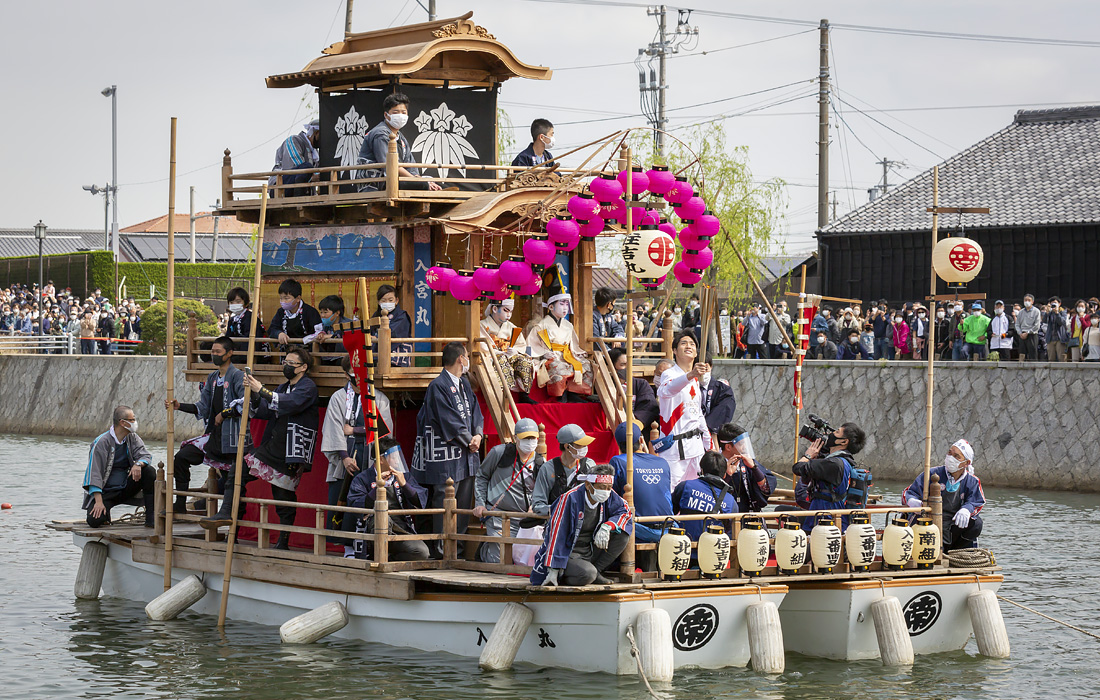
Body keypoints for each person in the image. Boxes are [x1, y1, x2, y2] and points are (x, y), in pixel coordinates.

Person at [205, 347, 319, 550]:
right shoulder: (283, 387)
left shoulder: (308, 387)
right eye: (285, 362)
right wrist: (256, 395)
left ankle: (283, 541)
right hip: (272, 445)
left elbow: (290, 404)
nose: (286, 366)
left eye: (291, 363)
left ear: (303, 367)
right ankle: (227, 513)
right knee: (238, 470)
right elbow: (266, 410)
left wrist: (261, 390)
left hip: (291, 449)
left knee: (283, 496)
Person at [411, 342, 483, 553]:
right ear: (461, 358)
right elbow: (445, 418)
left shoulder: (464, 384)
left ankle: (457, 550)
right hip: (447, 455)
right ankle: (441, 550)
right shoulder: (438, 385)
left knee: (463, 504)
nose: (468, 360)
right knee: (444, 502)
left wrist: (478, 434)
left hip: (467, 453)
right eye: (466, 356)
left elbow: (476, 412)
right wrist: (468, 439)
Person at [165, 336, 247, 513]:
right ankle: (180, 503)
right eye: (212, 352)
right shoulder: (212, 378)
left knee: (231, 480)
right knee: (181, 457)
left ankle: (234, 517)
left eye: (218, 352)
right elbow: (203, 407)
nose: (214, 355)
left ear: (229, 353)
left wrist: (224, 414)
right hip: (213, 435)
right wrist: (180, 406)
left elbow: (245, 403)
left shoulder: (238, 376)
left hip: (231, 437)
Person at [320, 356, 393, 552]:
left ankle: (366, 548)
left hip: (370, 455)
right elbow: (334, 428)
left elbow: (383, 430)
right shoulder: (338, 397)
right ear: (346, 375)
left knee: (368, 500)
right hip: (346, 456)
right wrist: (344, 457)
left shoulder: (379, 399)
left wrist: (354, 430)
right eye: (354, 374)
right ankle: (348, 549)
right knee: (343, 498)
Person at [530, 463, 632, 587]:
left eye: (609, 488)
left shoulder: (610, 496)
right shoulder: (570, 499)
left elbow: (625, 512)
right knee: (588, 573)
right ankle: (565, 576)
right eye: (601, 487)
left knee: (622, 535)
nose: (605, 491)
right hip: (567, 553)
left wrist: (608, 526)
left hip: (590, 550)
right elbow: (557, 533)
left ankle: (597, 570)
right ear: (588, 485)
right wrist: (553, 569)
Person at [472, 418, 544, 563]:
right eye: (525, 438)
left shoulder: (540, 462)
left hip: (524, 519)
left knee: (524, 560)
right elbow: (482, 476)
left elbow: (542, 491)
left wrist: (535, 505)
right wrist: (480, 503)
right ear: (515, 438)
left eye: (533, 438)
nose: (530, 442)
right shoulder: (499, 452)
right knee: (500, 561)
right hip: (498, 515)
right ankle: (485, 550)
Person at [347, 436, 430, 561]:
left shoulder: (404, 476)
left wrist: (405, 485)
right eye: (394, 457)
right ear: (381, 459)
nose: (397, 461)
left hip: (400, 527)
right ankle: (378, 553)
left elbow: (420, 500)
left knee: (422, 552)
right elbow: (356, 505)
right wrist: (377, 488)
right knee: (383, 518)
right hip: (374, 528)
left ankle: (389, 559)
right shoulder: (362, 478)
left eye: (398, 456)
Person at [903, 439, 985, 551]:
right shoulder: (931, 473)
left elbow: (976, 502)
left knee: (976, 523)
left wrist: (966, 509)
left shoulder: (972, 481)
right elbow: (908, 493)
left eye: (956, 456)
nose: (951, 457)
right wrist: (912, 501)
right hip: (929, 522)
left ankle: (957, 551)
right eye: (950, 453)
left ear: (967, 463)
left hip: (953, 524)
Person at [83, 405, 156, 528]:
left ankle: (151, 518)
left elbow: (145, 455)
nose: (135, 422)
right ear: (123, 423)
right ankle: (105, 514)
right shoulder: (102, 442)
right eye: (132, 420)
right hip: (106, 492)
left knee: (149, 471)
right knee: (94, 520)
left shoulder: (132, 437)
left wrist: (138, 464)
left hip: (126, 486)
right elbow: (94, 473)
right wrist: (99, 502)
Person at [655, 330, 710, 488]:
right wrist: (690, 374)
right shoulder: (669, 374)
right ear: (674, 350)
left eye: (692, 344)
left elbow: (697, 414)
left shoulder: (695, 380)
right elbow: (667, 390)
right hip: (674, 449)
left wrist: (709, 444)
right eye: (683, 343)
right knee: (671, 491)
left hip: (695, 448)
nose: (689, 346)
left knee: (697, 490)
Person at [527, 271, 594, 399]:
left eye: (567, 304)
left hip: (566, 354)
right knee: (557, 365)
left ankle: (575, 393)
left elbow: (573, 345)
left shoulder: (568, 325)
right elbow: (531, 346)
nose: (565, 308)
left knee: (586, 364)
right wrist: (544, 354)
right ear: (551, 307)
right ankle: (559, 395)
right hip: (550, 355)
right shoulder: (541, 326)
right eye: (561, 304)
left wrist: (577, 353)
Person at [356, 92, 441, 192]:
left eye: (403, 112)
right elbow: (390, 165)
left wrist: (421, 179)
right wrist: (418, 182)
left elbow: (411, 167)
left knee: (429, 181)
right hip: (375, 184)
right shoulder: (380, 134)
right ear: (386, 115)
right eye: (396, 112)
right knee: (422, 185)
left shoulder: (401, 138)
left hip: (394, 180)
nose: (400, 116)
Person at [792, 421, 866, 531]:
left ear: (844, 441)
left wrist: (808, 455)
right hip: (833, 518)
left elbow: (797, 468)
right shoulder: (845, 461)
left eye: (837, 432)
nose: (831, 434)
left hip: (824, 521)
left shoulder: (833, 464)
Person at [610, 421, 672, 544]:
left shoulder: (617, 461)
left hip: (639, 528)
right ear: (641, 440)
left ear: (618, 445)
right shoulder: (662, 462)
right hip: (668, 527)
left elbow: (612, 497)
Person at [532, 424, 597, 516]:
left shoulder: (589, 465)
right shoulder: (547, 469)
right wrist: (562, 510)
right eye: (580, 445)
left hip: (583, 519)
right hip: (556, 520)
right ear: (567, 447)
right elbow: (538, 505)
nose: (585, 448)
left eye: (585, 445)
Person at [672, 450, 738, 540]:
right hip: (713, 547)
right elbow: (730, 535)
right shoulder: (731, 502)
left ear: (702, 470)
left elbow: (669, 511)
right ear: (724, 475)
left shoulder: (685, 486)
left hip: (683, 545)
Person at [481, 297, 534, 397]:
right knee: (501, 359)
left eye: (511, 311)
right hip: (492, 356)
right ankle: (503, 395)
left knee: (524, 360)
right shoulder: (482, 325)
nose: (509, 315)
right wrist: (500, 352)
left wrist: (515, 351)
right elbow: (482, 346)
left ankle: (524, 394)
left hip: (509, 355)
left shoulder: (511, 327)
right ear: (495, 309)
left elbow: (521, 345)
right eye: (506, 310)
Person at [716, 423, 774, 513]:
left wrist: (754, 468)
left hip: (748, 513)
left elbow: (765, 488)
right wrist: (727, 475)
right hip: (723, 513)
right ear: (728, 447)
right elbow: (711, 492)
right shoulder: (715, 462)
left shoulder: (747, 461)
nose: (745, 447)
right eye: (741, 444)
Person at [608, 347, 659, 434]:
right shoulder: (607, 384)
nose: (627, 368)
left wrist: (636, 422)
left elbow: (649, 407)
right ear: (612, 367)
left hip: (635, 430)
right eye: (623, 365)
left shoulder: (641, 384)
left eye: (629, 364)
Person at [267, 279, 323, 350]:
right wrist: (279, 333)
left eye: (286, 298)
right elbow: (272, 329)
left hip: (307, 351)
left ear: (298, 298)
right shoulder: (280, 312)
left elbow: (318, 332)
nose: (283, 301)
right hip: (287, 350)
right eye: (281, 298)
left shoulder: (310, 312)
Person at [269, 120, 320, 197]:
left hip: (299, 190)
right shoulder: (294, 140)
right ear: (316, 133)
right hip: (279, 187)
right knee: (307, 167)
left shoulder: (315, 152)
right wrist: (313, 177)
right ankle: (299, 200)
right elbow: (297, 167)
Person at [373, 284, 413, 367]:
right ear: (378, 302)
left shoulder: (402, 316)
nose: (387, 303)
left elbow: (393, 332)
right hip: (376, 357)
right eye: (383, 300)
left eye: (390, 300)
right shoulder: (376, 316)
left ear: (396, 301)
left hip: (396, 359)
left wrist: (376, 337)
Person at [310, 294, 352, 365]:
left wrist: (332, 336)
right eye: (321, 312)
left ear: (337, 313)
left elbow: (348, 341)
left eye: (325, 312)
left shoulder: (348, 324)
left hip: (344, 357)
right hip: (328, 357)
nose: (322, 315)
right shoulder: (325, 325)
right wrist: (321, 335)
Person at [224, 287, 265, 354]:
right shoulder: (232, 320)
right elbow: (228, 336)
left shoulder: (251, 318)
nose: (234, 304)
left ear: (246, 303)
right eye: (231, 302)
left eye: (238, 301)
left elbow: (253, 339)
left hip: (250, 352)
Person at [1016, 294, 1041, 361]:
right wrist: (1020, 333)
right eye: (1025, 300)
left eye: (1029, 300)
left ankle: (1034, 367)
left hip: (1032, 335)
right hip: (1022, 335)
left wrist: (1028, 332)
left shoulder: (1036, 311)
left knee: (1033, 354)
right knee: (1022, 354)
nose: (1027, 301)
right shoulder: (1021, 312)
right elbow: (1017, 324)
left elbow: (1037, 325)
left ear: (1032, 302)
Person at [1044, 296, 1069, 362]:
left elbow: (1062, 322)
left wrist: (1057, 313)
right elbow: (1044, 321)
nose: (1053, 304)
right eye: (1052, 303)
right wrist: (1046, 313)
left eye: (1055, 303)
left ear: (1059, 304)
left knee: (1061, 358)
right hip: (1050, 338)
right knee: (1051, 358)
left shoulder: (1063, 312)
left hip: (1060, 338)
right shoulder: (1049, 312)